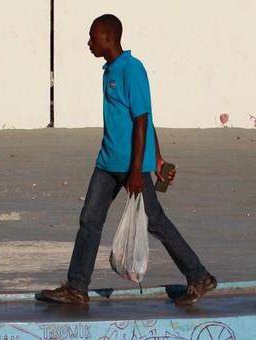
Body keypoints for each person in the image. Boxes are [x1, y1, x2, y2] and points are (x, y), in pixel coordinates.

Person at [39, 14, 215, 307]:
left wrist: (141, 168)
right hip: (107, 163)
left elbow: (143, 119)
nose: (89, 43)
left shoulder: (132, 69)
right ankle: (77, 287)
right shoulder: (109, 70)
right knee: (89, 220)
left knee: (155, 221)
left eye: (92, 37)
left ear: (108, 37)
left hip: (132, 165)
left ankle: (199, 276)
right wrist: (159, 158)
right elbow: (141, 117)